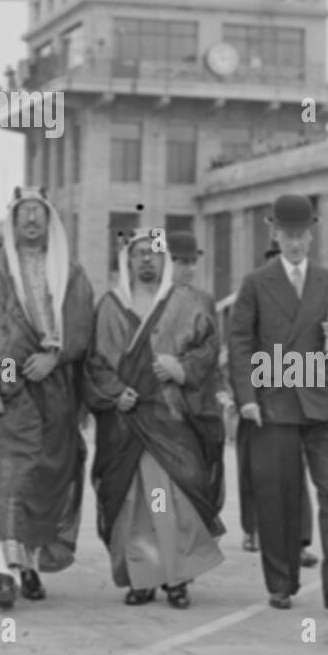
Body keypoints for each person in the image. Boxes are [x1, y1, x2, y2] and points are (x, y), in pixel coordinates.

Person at [228, 194, 328, 613]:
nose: (294, 242)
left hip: (321, 402)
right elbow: (239, 344)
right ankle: (281, 582)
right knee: (279, 495)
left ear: (311, 235)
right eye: (287, 235)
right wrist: (247, 398)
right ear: (275, 234)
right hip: (274, 403)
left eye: (301, 234)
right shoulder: (255, 282)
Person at [0, 186, 94, 610]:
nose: (32, 220)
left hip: (55, 397)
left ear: (49, 221)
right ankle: (4, 572)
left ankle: (30, 564)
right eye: (24, 213)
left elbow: (80, 328)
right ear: (13, 222)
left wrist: (54, 359)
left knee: (43, 484)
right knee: (4, 485)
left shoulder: (70, 273)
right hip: (7, 397)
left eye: (39, 213)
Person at [87, 229, 225, 608]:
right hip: (126, 425)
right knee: (135, 505)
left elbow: (209, 350)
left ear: (165, 260)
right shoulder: (111, 306)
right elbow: (95, 363)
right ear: (127, 261)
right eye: (139, 253)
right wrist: (116, 392)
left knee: (166, 499)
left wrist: (179, 367)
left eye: (154, 252)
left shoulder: (188, 303)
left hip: (170, 420)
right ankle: (142, 577)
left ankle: (175, 576)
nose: (147, 259)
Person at [234, 245, 317, 566]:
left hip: (295, 400)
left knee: (296, 472)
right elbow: (239, 351)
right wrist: (247, 398)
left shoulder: (302, 300)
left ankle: (299, 540)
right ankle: (252, 529)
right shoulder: (252, 296)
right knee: (255, 473)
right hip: (258, 402)